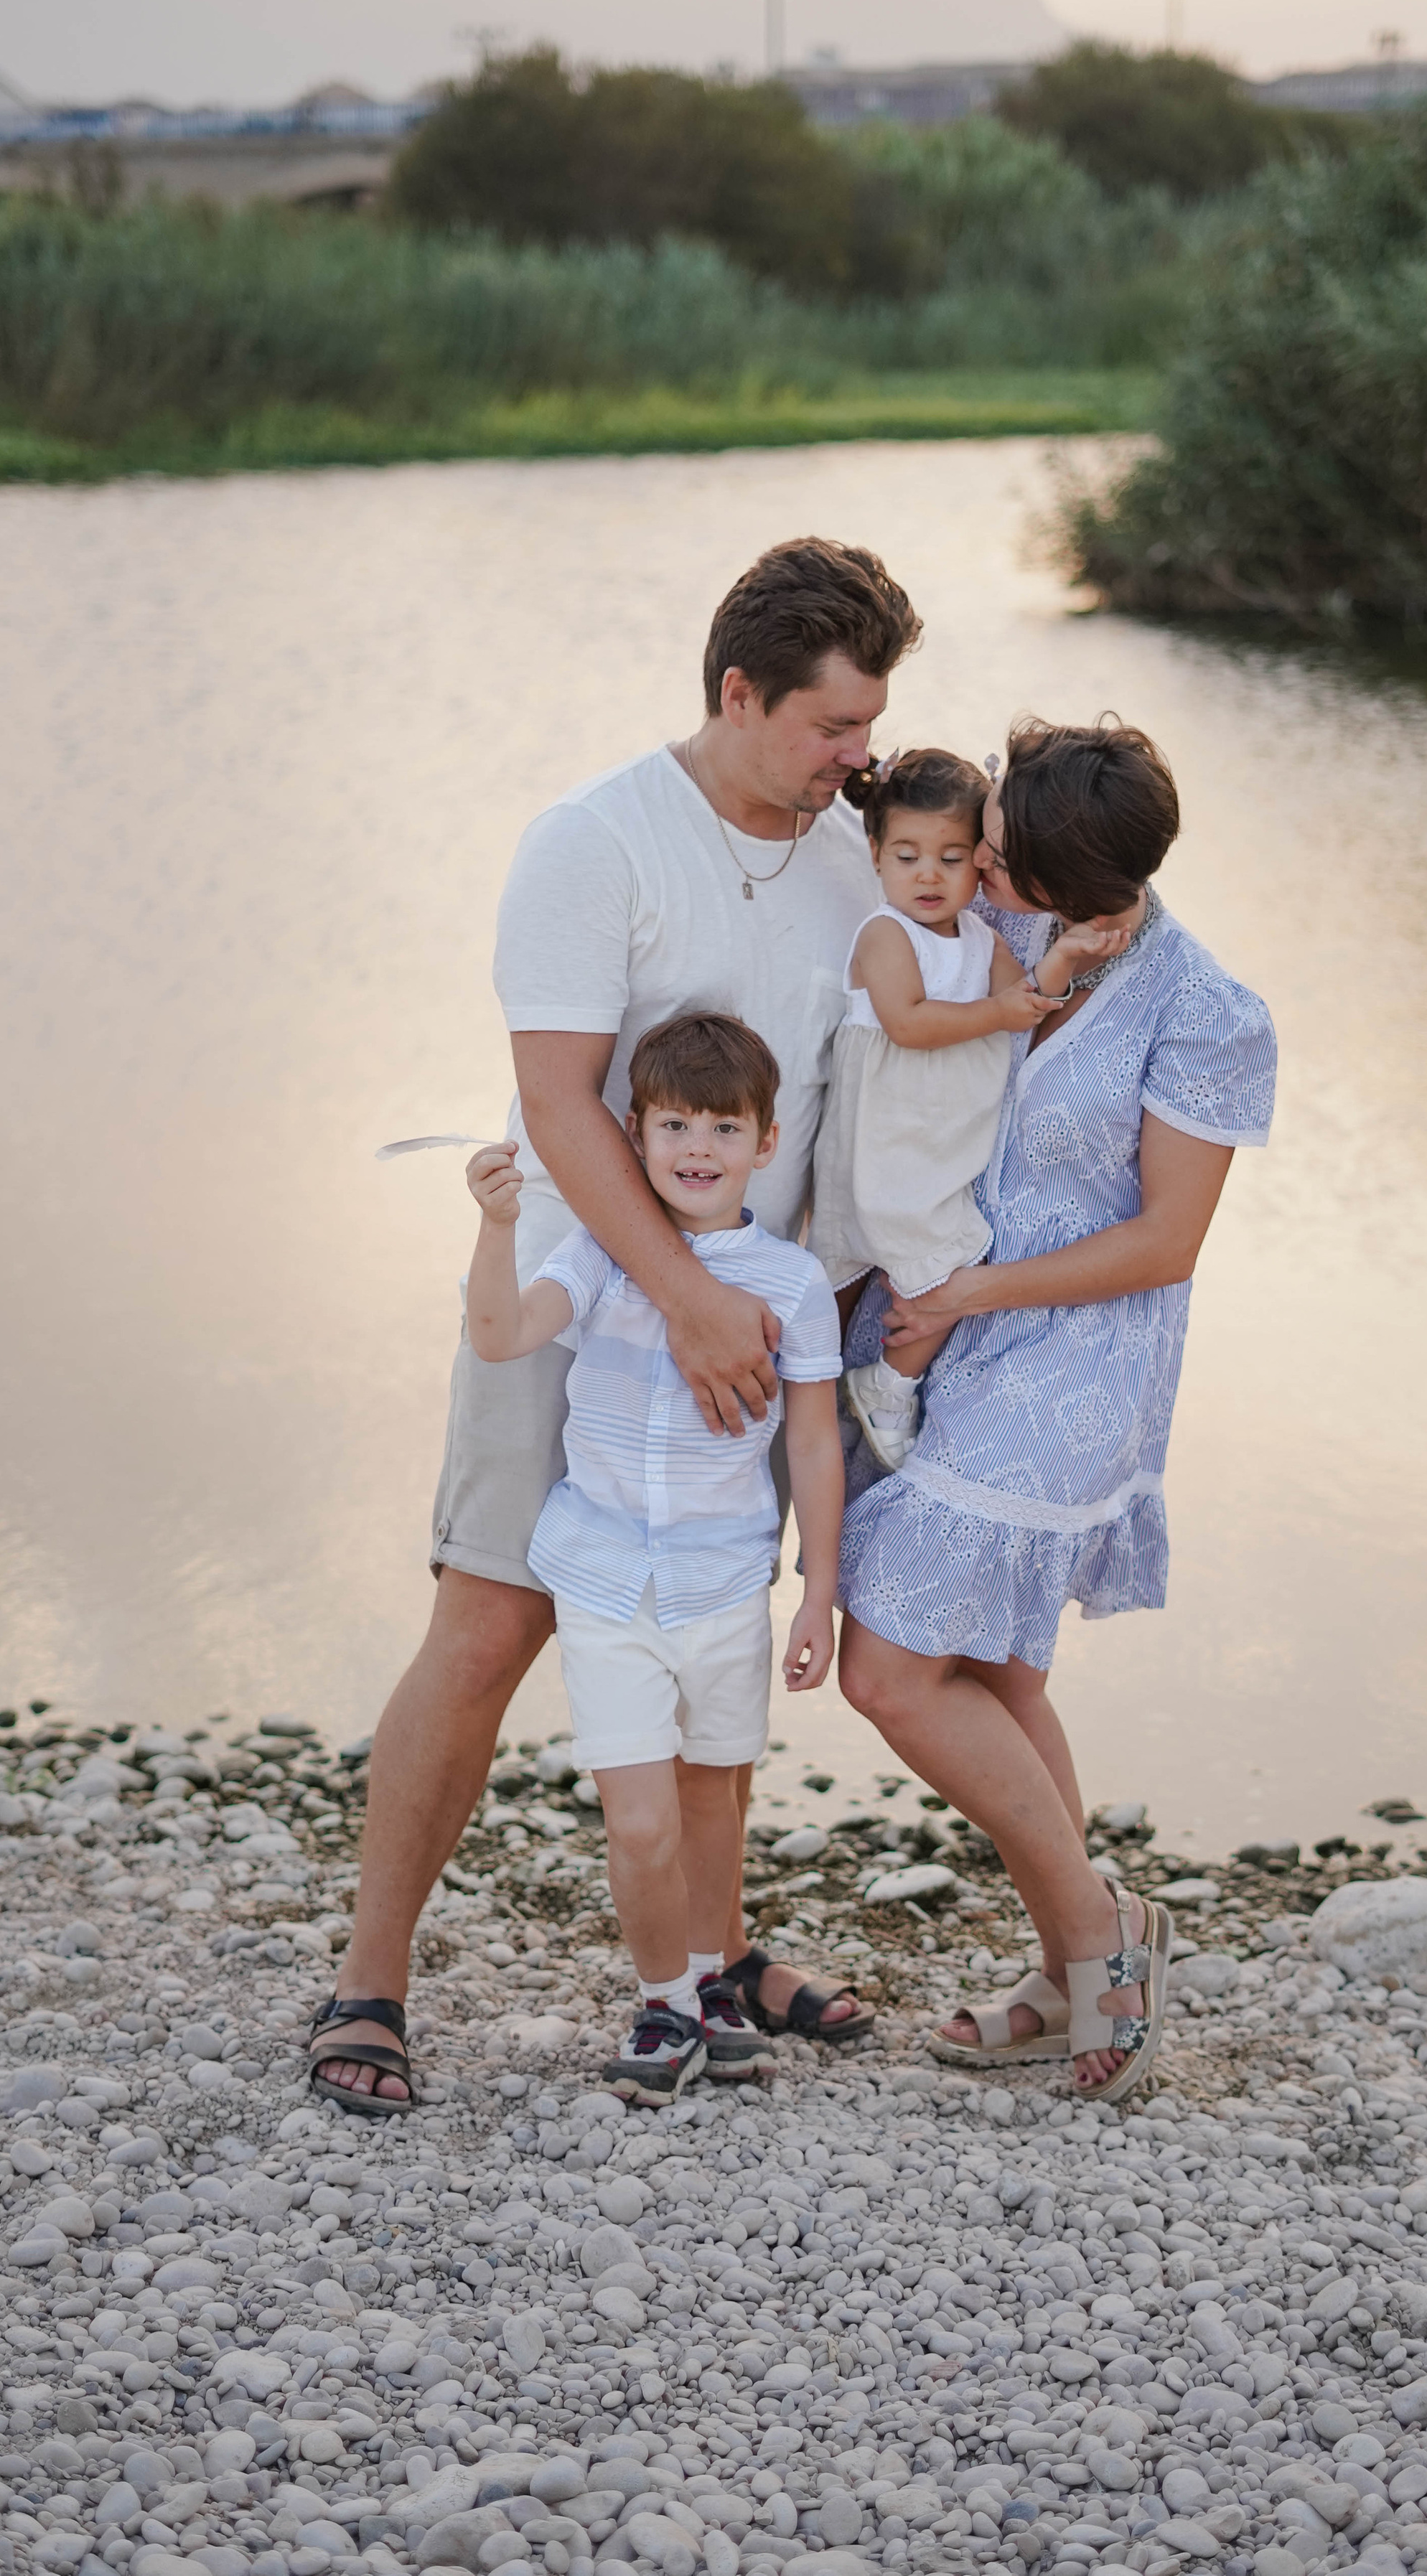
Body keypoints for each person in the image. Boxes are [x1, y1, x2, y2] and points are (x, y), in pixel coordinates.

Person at [308, 538, 920, 2112]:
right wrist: (685, 1294)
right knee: (493, 1619)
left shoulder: (854, 856)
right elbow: (554, 1102)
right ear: (738, 692)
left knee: (714, 1623)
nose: (859, 762)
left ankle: (710, 1959)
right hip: (599, 1298)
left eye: (868, 727)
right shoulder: (594, 841)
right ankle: (368, 1981)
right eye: (829, 729)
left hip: (754, 1327)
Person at [836, 716, 1278, 2104]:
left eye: (1011, 864)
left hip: (1074, 1358)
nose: (986, 875)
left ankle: (1101, 1933)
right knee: (1002, 1674)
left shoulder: (1209, 1012)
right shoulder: (1005, 927)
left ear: (1092, 884)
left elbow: (1166, 1243)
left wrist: (975, 1297)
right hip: (943, 1327)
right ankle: (1062, 1960)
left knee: (891, 1668)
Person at [452, 1014, 843, 2105]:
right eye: (675, 1124)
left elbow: (811, 1438)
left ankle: (715, 1986)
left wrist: (821, 1589)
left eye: (725, 1125)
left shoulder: (791, 1283)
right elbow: (499, 1336)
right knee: (638, 1813)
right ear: (636, 1134)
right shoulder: (601, 1258)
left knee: (714, 1800)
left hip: (726, 1582)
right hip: (608, 1580)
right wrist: (495, 1227)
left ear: (767, 1142)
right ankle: (663, 1999)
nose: (699, 1147)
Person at [809, 746, 1120, 1468]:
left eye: (952, 859)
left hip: (937, 1138)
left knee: (937, 1259)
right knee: (908, 1266)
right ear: (876, 852)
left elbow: (1029, 1001)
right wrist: (998, 1011)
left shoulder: (979, 938)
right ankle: (875, 1385)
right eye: (908, 855)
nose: (929, 875)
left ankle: (878, 1381)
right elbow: (909, 1023)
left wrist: (1066, 958)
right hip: (886, 1138)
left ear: (978, 864)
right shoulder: (885, 935)